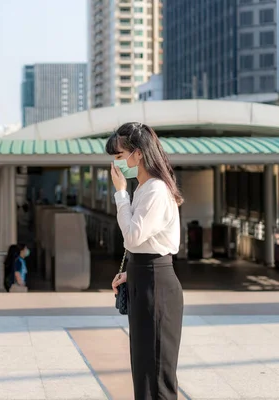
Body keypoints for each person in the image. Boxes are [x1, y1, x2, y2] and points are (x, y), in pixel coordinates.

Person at [108, 122, 183, 399]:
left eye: (119, 155)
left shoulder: (154, 190)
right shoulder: (144, 188)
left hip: (157, 283)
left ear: (138, 154)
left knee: (156, 373)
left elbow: (132, 237)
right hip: (145, 277)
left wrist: (120, 194)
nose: (116, 163)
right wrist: (132, 273)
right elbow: (143, 243)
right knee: (143, 370)